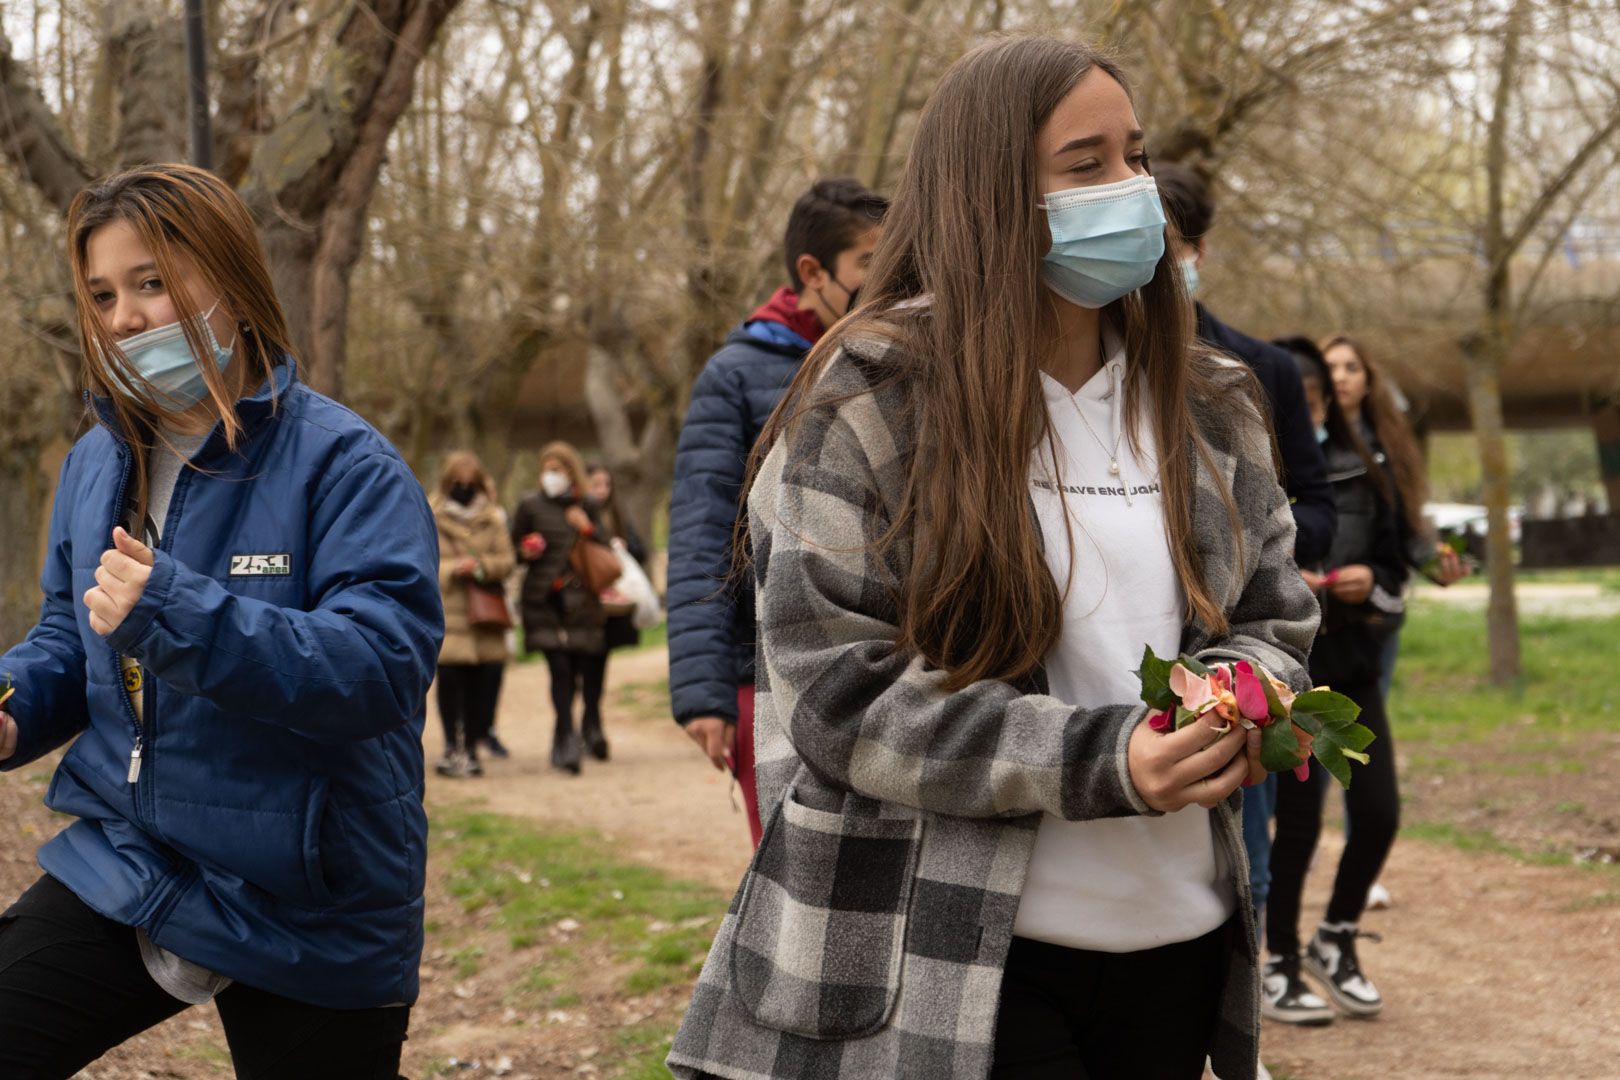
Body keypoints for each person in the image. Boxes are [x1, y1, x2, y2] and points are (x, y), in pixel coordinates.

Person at [667, 37, 1319, 1080]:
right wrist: (1107, 760)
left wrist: (1243, 692)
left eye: (1137, 157)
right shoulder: (869, 400)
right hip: (952, 961)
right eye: (1087, 164)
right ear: (988, 194)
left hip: (1181, 944)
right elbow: (838, 694)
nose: (1133, 189)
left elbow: (1278, 616)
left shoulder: (1213, 401)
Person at [0, 164, 443, 1079]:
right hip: (137, 862)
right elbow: (68, 636)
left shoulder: (346, 465)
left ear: (232, 281)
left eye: (152, 282)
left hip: (311, 896)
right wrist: (13, 704)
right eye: (103, 294)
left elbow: (381, 669)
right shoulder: (94, 463)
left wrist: (171, 609)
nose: (125, 318)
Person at [1155, 163, 1337, 979]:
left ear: (1196, 249)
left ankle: (1244, 1030)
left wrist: (1255, 548)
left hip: (1237, 664)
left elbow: (1320, 510)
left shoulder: (1255, 371)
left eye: (1168, 242)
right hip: (1135, 680)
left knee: (1245, 862)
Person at [666, 177, 888, 846]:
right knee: (791, 860)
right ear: (811, 272)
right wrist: (706, 694)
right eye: (870, 269)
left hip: (875, 665)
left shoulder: (894, 362)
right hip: (761, 674)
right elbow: (701, 535)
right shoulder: (734, 377)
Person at [1261, 335, 1456, 1025]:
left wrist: (1372, 583)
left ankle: (1334, 937)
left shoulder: (1372, 470)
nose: (1314, 413)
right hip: (1287, 674)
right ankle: (1278, 960)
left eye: (1322, 398)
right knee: (1301, 826)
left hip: (1354, 666)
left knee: (1378, 814)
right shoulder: (1260, 467)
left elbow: (1397, 564)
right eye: (1305, 399)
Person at [513, 441, 611, 774]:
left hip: (581, 601)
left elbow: (607, 548)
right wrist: (525, 550)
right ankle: (567, 735)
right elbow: (513, 549)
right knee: (560, 669)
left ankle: (565, 735)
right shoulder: (529, 505)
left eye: (559, 469)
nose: (551, 475)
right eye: (547, 468)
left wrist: (585, 525)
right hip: (542, 600)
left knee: (580, 671)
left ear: (572, 471)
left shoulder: (588, 504)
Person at [431, 451, 517, 778]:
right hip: (450, 611)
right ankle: (453, 745)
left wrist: (481, 568)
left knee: (484, 682)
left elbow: (507, 561)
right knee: (450, 681)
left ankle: (473, 741)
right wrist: (454, 569)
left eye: (470, 481)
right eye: (458, 482)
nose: (464, 487)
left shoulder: (493, 517)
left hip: (485, 616)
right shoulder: (431, 514)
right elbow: (423, 560)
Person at [578, 463, 652, 760]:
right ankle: (577, 728)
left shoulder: (618, 516)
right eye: (595, 484)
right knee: (574, 671)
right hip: (580, 606)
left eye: (605, 485)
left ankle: (592, 725)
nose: (601, 490)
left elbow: (641, 550)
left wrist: (623, 546)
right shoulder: (576, 515)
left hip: (610, 608)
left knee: (596, 668)